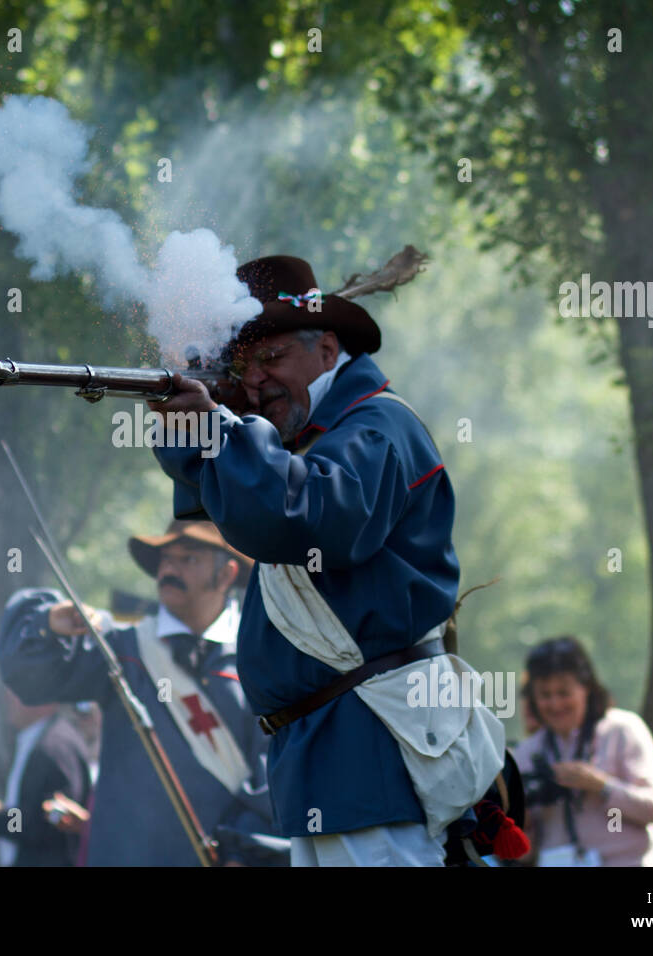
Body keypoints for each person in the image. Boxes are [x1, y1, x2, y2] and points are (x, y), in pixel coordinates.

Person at [147, 255, 503, 866]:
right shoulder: (311, 440)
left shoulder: (376, 427)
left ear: (328, 347)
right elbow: (238, 501)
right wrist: (201, 430)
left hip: (375, 743)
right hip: (327, 748)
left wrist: (219, 427)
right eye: (243, 366)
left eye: (272, 359)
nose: (255, 382)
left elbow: (301, 517)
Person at [0, 520, 284, 866]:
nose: (169, 569)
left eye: (187, 559)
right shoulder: (121, 647)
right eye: (165, 559)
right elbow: (30, 678)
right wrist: (48, 624)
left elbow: (274, 774)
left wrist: (242, 853)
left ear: (226, 575)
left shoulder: (261, 660)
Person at [512, 636, 653, 866]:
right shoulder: (527, 752)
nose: (555, 704)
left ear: (586, 687)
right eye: (545, 695)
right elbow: (523, 854)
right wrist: (522, 821)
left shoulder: (621, 730)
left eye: (564, 693)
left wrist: (602, 786)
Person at [0, 689, 93, 867]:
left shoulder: (55, 746)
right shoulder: (44, 738)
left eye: (17, 690)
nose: (8, 697)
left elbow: (47, 822)